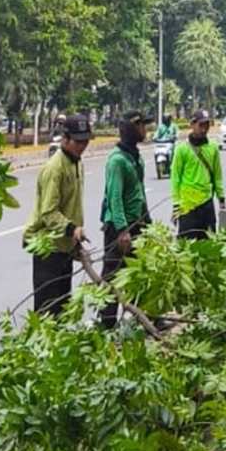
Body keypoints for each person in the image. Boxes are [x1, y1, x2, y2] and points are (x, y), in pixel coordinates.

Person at [23, 113, 92, 315]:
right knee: (47, 310)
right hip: (48, 246)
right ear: (65, 138)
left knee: (62, 305)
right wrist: (71, 229)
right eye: (78, 141)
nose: (82, 145)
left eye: (85, 141)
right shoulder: (55, 168)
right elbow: (48, 212)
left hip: (65, 246)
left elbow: (71, 206)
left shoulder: (78, 163)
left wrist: (74, 241)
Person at [99, 110, 153, 329]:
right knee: (113, 277)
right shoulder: (117, 161)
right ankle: (107, 325)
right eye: (141, 125)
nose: (146, 130)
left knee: (143, 272)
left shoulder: (134, 157)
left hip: (137, 223)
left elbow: (139, 192)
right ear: (132, 129)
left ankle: (147, 319)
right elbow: (115, 198)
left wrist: (147, 222)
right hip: (119, 228)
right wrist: (122, 231)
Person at [171, 109, 225, 239]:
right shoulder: (182, 149)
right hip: (187, 206)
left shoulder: (212, 147)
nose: (204, 129)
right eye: (201, 125)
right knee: (186, 247)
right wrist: (176, 205)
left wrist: (221, 198)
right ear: (192, 124)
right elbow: (175, 178)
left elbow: (217, 174)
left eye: (206, 125)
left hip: (207, 203)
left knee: (209, 244)